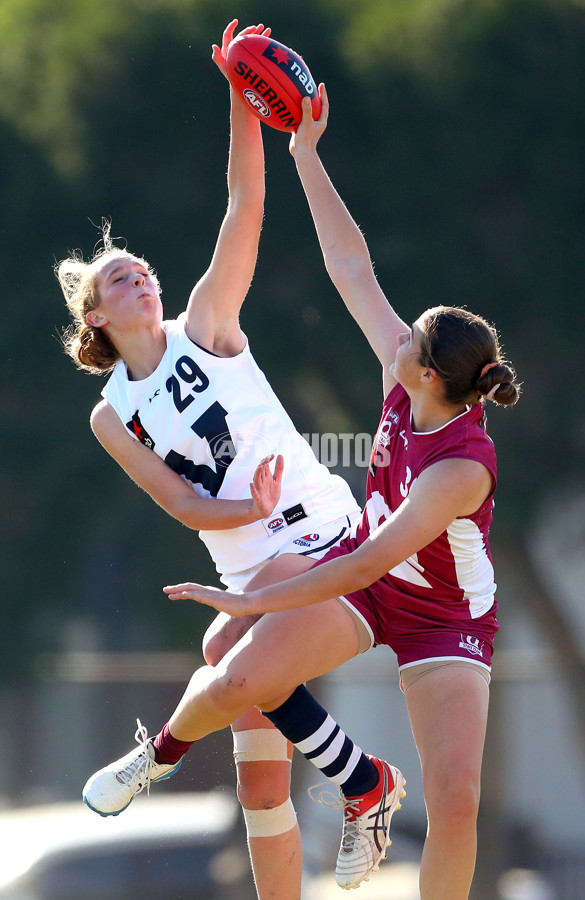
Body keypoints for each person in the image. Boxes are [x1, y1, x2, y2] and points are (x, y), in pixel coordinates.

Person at [80, 85, 520, 899]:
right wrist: (305, 154)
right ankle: (355, 783)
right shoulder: (406, 378)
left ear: (428, 374)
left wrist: (241, 600)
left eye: (409, 338)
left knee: (456, 802)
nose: (394, 334)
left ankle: (311, 777)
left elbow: (366, 564)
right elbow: (351, 266)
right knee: (238, 690)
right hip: (359, 574)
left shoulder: (460, 465)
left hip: (434, 609)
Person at [56, 23, 364, 900]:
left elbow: (245, 209)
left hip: (317, 537)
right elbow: (184, 507)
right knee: (261, 781)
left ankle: (165, 756)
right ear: (97, 319)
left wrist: (242, 93)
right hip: (247, 552)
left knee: (227, 647)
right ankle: (341, 798)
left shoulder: (208, 327)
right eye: (120, 280)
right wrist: (242, 504)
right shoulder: (112, 415)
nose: (141, 278)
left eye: (142, 269)